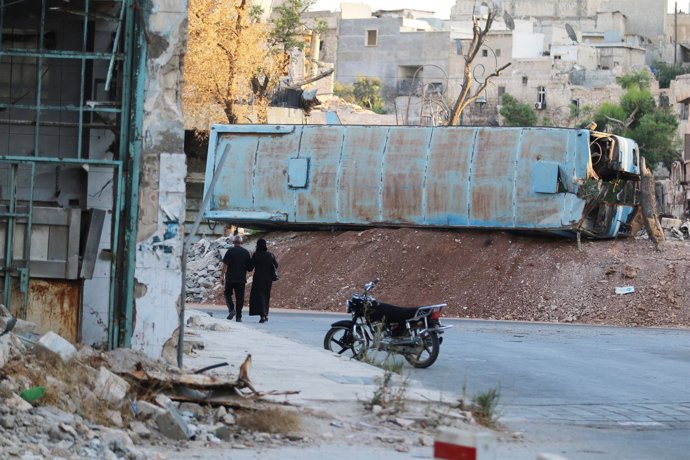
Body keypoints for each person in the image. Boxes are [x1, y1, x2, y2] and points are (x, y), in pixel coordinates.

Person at [220, 234, 252, 322]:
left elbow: (225, 264)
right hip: (241, 279)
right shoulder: (246, 252)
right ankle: (239, 317)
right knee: (240, 298)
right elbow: (249, 268)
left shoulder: (230, 251)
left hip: (230, 278)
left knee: (227, 293)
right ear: (241, 242)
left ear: (233, 242)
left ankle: (231, 309)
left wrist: (222, 276)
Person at [248, 238, 278, 323]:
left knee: (259, 296)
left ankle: (263, 315)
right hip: (268, 279)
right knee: (266, 296)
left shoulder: (256, 255)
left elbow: (250, 268)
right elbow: (276, 265)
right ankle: (265, 314)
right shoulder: (270, 255)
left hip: (258, 278)